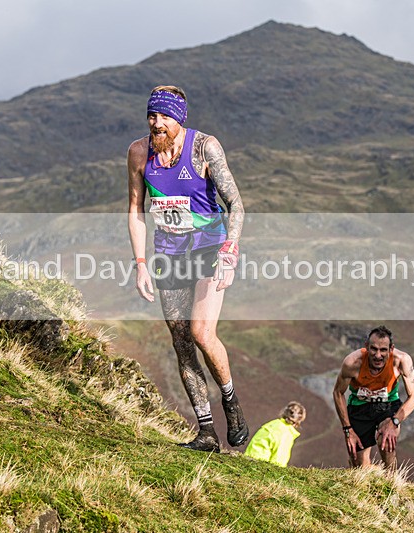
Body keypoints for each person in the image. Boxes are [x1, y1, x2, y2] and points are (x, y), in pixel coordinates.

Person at [127, 85, 248, 452]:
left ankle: (231, 401)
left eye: (164, 117)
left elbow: (236, 205)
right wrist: (141, 265)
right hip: (168, 252)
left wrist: (230, 250)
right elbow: (135, 210)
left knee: (200, 332)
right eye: (152, 116)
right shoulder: (137, 153)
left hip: (209, 247)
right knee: (181, 344)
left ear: (180, 119)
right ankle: (207, 431)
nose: (157, 124)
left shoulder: (204, 148)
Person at [332, 325, 414, 470]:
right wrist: (348, 429)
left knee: (386, 439)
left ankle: (392, 482)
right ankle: (369, 475)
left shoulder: (401, 360)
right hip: (359, 407)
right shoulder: (352, 363)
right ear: (366, 346)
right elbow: (338, 393)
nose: (378, 355)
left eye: (383, 350)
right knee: (359, 466)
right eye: (373, 349)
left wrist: (394, 422)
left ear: (391, 349)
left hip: (387, 405)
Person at [244, 402, 306, 467]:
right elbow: (278, 461)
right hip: (260, 467)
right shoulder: (286, 434)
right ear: (298, 421)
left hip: (247, 461)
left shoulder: (272, 424)